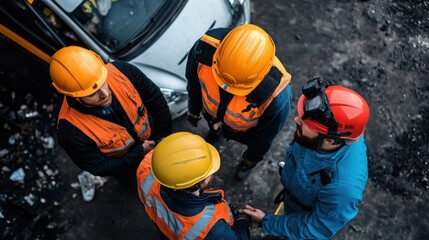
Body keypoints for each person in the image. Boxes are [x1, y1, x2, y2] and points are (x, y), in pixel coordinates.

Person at [239, 77, 370, 239]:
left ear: (329, 140)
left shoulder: (342, 189)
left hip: (303, 210)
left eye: (308, 124)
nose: (296, 120)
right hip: (294, 194)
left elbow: (314, 228)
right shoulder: (335, 133)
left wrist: (268, 222)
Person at [50, 46, 172, 186]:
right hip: (130, 170)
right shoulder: (71, 131)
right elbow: (99, 167)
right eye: (92, 94)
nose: (105, 94)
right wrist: (139, 152)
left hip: (157, 141)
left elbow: (155, 100)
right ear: (75, 97)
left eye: (104, 83)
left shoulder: (122, 72)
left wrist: (164, 134)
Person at [185, 23, 293, 180]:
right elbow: (193, 82)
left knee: (255, 148)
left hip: (245, 132)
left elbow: (265, 136)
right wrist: (193, 110)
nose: (226, 89)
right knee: (213, 129)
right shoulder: (204, 49)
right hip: (211, 114)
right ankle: (214, 132)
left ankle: (245, 164)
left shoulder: (276, 95)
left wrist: (252, 158)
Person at [136, 132, 251, 239]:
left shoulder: (146, 167)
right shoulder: (211, 228)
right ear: (203, 181)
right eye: (210, 171)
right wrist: (243, 220)